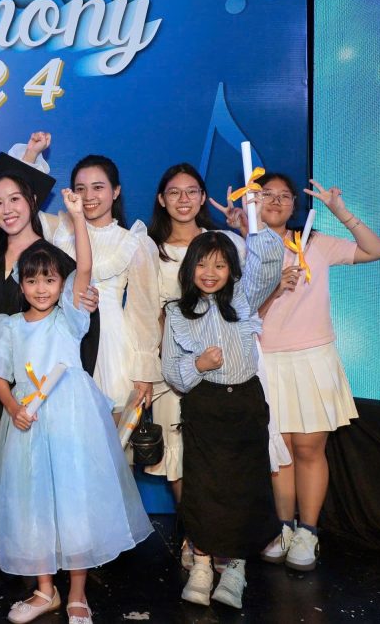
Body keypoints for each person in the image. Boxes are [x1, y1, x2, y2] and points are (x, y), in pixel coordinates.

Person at [0, 188, 153, 624]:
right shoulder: (9, 327)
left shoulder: (70, 317)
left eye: (50, 280)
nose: (41, 288)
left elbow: (84, 267)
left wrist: (77, 219)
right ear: (21, 285)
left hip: (72, 420)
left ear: (61, 284)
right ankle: (44, 590)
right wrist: (12, 407)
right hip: (28, 424)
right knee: (33, 503)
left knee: (74, 502)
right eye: (32, 281)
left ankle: (77, 595)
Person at [0, 154, 98, 533]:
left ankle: (27, 540)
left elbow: (77, 315)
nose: (6, 210)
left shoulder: (51, 261)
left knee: (24, 466)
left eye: (14, 199)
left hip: (28, 386)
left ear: (31, 201)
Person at [250, 174, 380, 571]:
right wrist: (274, 287)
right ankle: (284, 527)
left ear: (295, 205)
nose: (275, 201)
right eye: (266, 194)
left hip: (312, 358)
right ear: (253, 201)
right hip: (266, 360)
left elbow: (377, 250)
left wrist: (340, 211)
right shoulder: (244, 247)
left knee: (309, 449)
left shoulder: (314, 243)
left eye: (284, 196)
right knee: (280, 453)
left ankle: (308, 531)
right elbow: (239, 313)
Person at [161, 226, 284, 609]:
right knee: (203, 487)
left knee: (245, 487)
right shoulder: (176, 312)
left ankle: (235, 567)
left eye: (220, 265)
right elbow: (171, 370)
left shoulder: (245, 298)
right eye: (202, 264)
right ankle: (201, 565)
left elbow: (271, 265)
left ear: (232, 269)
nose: (210, 272)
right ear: (189, 268)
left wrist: (253, 228)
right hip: (204, 405)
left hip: (246, 403)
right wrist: (198, 364)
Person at [147, 163, 246, 566]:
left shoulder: (223, 242)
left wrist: (245, 230)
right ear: (161, 199)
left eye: (192, 191)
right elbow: (145, 312)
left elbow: (245, 298)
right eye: (174, 192)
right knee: (178, 454)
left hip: (222, 367)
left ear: (203, 198)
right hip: (172, 365)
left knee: (215, 455)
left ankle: (219, 535)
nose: (183, 199)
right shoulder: (148, 248)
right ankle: (194, 536)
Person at [19, 136, 160, 415]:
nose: (89, 196)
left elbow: (143, 311)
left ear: (116, 191)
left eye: (98, 187)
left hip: (112, 346)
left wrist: (143, 371)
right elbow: (18, 202)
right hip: (61, 341)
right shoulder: (57, 228)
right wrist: (31, 154)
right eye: (80, 188)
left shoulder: (133, 241)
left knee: (112, 436)